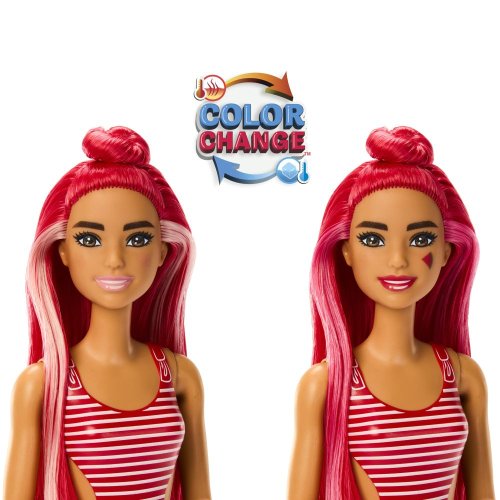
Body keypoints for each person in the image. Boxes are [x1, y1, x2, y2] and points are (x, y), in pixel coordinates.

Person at [4, 126, 211, 500]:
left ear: (163, 251)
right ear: (62, 251)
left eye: (137, 239)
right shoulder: (45, 385)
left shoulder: (180, 376)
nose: (114, 259)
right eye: (89, 239)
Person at [288, 126, 494, 499]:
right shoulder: (328, 385)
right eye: (373, 239)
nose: (398, 260)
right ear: (346, 251)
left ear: (446, 252)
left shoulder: (463, 377)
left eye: (421, 239)